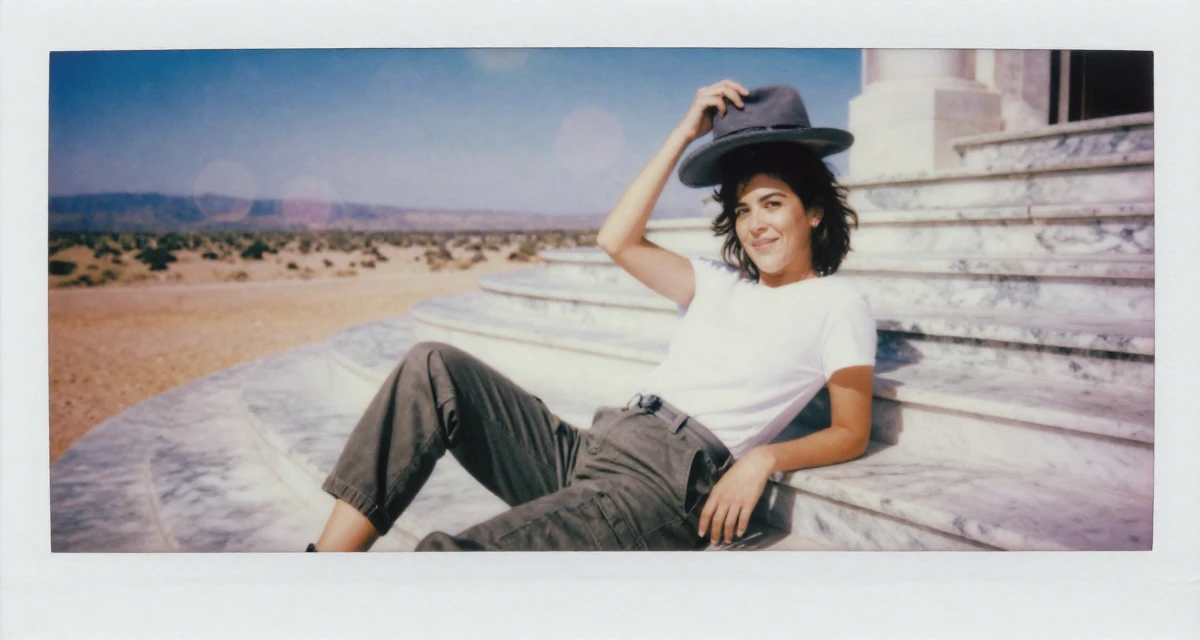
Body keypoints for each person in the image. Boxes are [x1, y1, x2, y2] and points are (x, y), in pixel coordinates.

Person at [307, 80, 877, 552]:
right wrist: (683, 133)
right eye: (744, 209)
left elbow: (850, 431)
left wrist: (764, 458)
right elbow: (616, 238)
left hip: (658, 486)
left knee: (452, 563)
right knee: (431, 368)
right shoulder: (718, 282)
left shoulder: (836, 304)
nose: (756, 225)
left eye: (774, 204)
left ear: (816, 214)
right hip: (593, 447)